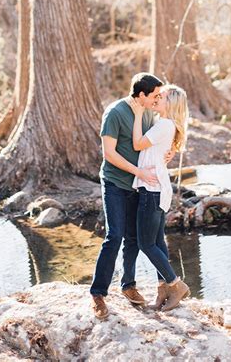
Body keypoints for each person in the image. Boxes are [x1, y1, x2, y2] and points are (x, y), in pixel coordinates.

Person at [90, 72, 164, 320]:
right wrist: (139, 172)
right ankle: (98, 294)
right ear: (141, 95)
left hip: (138, 185)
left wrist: (167, 154)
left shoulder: (150, 115)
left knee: (133, 238)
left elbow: (149, 144)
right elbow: (109, 154)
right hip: (115, 182)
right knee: (115, 235)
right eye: (154, 95)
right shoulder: (115, 112)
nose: (157, 99)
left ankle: (128, 285)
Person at [132, 84, 190, 312]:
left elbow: (138, 144)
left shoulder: (165, 124)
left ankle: (176, 284)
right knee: (156, 242)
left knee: (146, 243)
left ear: (171, 103)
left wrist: (137, 115)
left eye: (161, 97)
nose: (156, 98)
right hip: (158, 187)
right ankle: (163, 288)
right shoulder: (166, 124)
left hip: (152, 189)